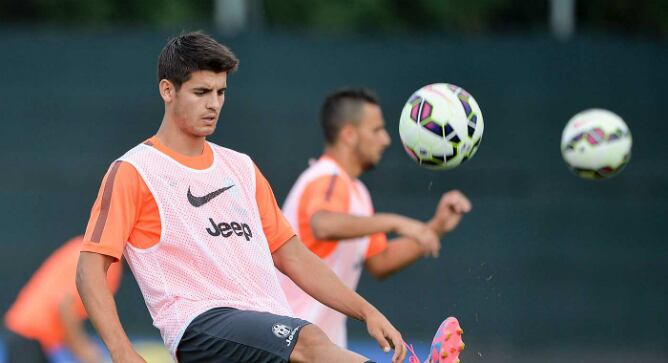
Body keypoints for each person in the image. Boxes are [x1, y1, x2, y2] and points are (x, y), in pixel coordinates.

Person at [75, 31, 407, 363]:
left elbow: (294, 256)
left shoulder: (241, 167)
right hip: (201, 328)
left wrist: (366, 311)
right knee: (310, 340)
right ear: (167, 90)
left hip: (266, 331)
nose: (214, 104)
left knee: (306, 341)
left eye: (221, 92)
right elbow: (89, 269)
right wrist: (121, 351)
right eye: (201, 92)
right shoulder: (135, 170)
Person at [279, 88, 471, 350]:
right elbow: (322, 224)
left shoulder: (357, 191)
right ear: (349, 134)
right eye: (377, 130)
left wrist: (435, 228)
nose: (386, 140)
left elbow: (380, 261)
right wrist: (396, 222)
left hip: (318, 344)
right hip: (289, 341)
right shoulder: (328, 177)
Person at [3, 235, 122, 363]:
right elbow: (65, 306)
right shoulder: (104, 261)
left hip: (28, 337)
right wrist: (82, 349)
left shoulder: (90, 248)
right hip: (28, 339)